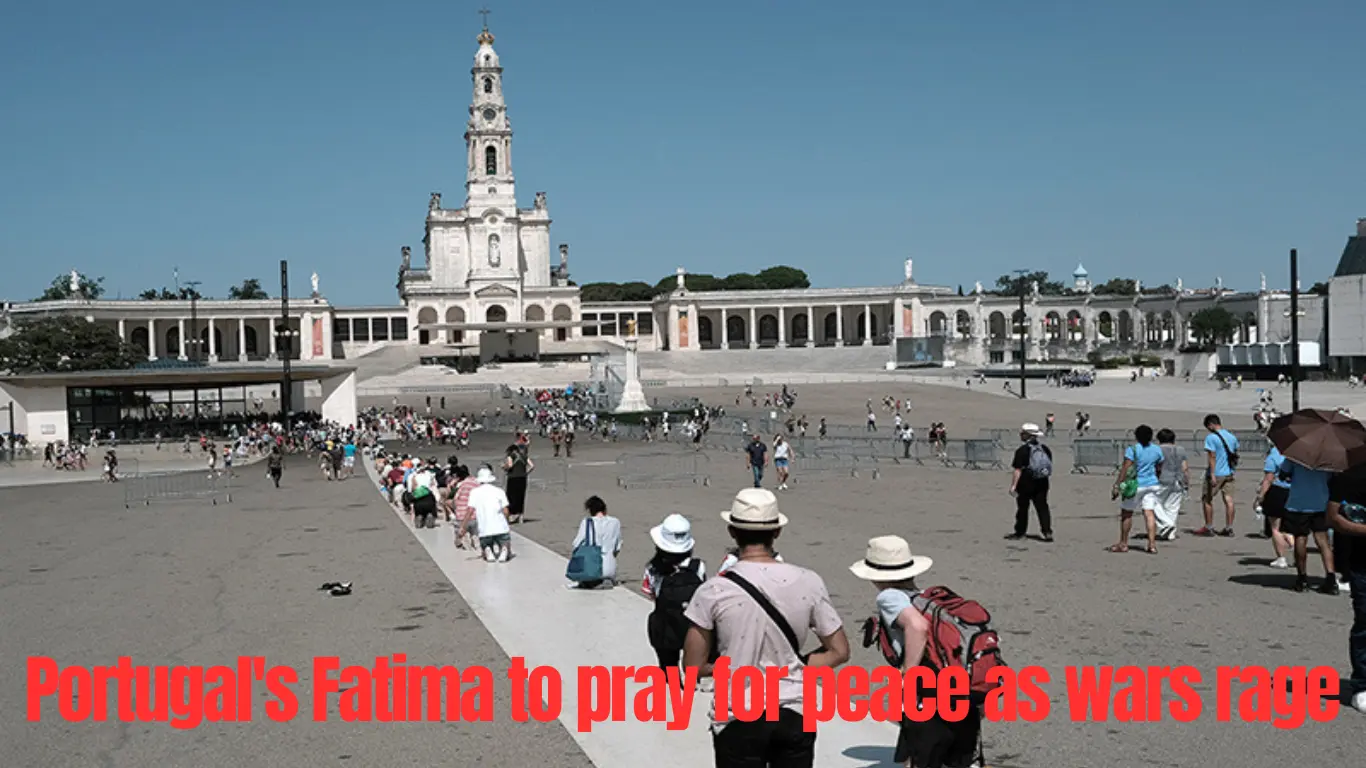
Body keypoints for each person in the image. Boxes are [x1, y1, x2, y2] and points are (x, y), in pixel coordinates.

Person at [683, 488, 849, 767]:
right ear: (777, 532)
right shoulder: (808, 581)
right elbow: (840, 651)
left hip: (738, 713)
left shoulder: (713, 590)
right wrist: (795, 666)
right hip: (794, 709)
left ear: (732, 531)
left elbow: (692, 666)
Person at [849, 536, 981, 768]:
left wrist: (908, 673)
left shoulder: (890, 596)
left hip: (927, 692)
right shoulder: (925, 598)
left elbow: (917, 626)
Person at [642, 514, 707, 679]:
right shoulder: (698, 566)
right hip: (691, 625)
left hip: (664, 626)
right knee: (693, 667)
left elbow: (651, 594)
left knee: (668, 670)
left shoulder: (653, 569)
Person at [1325, 464, 1366, 714]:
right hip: (1363, 564)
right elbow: (1333, 518)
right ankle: (1362, 686)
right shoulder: (1350, 477)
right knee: (1365, 622)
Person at [1281, 459, 1340, 594]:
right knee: (1323, 541)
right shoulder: (1327, 458)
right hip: (1321, 502)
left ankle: (1302, 578)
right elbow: (1331, 479)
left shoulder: (1295, 456)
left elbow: (1283, 474)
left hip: (1298, 503)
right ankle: (1331, 578)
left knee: (1300, 538)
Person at [1111, 425, 1163, 554]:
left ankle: (1123, 543)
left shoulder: (1133, 450)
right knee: (1149, 513)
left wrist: (1118, 484)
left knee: (1127, 513)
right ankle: (1152, 544)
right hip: (1152, 483)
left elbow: (1126, 468)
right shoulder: (1157, 450)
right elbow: (1159, 466)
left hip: (1136, 484)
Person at [1006, 423, 1053, 542]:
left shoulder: (1022, 450)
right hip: (1042, 482)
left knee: (1023, 508)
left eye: (1023, 433)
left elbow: (1017, 470)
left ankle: (1020, 532)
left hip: (1026, 483)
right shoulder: (1045, 449)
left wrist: (1013, 486)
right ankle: (1047, 531)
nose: (1021, 435)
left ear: (1028, 435)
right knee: (1042, 507)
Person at [1196, 414, 1239, 537]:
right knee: (1229, 500)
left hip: (1217, 472)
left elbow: (1212, 456)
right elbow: (1235, 453)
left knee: (1207, 499)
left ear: (1211, 425)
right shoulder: (1231, 436)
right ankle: (1229, 527)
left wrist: (1212, 474)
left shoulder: (1211, 438)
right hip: (1229, 472)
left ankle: (1209, 526)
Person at [1254, 446, 1295, 568]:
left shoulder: (1274, 455)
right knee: (1289, 527)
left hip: (1278, 491)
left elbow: (1269, 479)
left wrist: (1260, 497)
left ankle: (1281, 558)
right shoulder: (1296, 454)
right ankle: (1296, 550)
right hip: (1294, 492)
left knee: (1275, 527)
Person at [569, 496, 622, 589]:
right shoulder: (615, 522)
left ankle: (591, 581)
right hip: (610, 569)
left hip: (592, 569)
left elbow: (576, 544)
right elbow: (617, 547)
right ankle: (606, 579)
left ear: (590, 510)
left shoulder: (587, 522)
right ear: (604, 508)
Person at [469, 465, 512, 562]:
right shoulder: (499, 491)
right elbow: (506, 510)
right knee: (504, 540)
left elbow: (470, 510)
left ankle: (488, 550)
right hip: (500, 527)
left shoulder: (474, 492)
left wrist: (463, 526)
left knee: (485, 542)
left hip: (484, 528)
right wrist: (507, 522)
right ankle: (504, 549)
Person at [1154, 428, 1188, 541]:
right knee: (1172, 508)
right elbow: (1185, 467)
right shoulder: (1180, 449)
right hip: (1178, 480)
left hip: (1161, 480)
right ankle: (1170, 533)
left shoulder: (1157, 450)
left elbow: (1157, 466)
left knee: (1152, 503)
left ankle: (1166, 525)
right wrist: (1187, 482)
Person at [502, 444, 533, 524]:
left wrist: (504, 467)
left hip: (513, 478)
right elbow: (532, 466)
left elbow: (510, 465)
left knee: (510, 497)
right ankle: (521, 516)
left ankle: (510, 516)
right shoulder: (524, 456)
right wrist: (526, 472)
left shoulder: (511, 456)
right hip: (523, 478)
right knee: (520, 496)